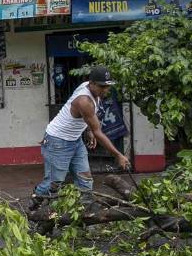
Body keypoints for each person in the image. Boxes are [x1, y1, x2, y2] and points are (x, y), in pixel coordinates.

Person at [32, 65, 130, 200]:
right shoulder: (84, 101)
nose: (106, 90)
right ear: (92, 84)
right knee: (54, 184)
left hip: (75, 140)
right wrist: (118, 155)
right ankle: (34, 203)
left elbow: (90, 120)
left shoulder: (92, 89)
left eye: (108, 86)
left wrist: (88, 130)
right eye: (102, 86)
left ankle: (85, 210)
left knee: (85, 180)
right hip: (57, 141)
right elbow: (98, 132)